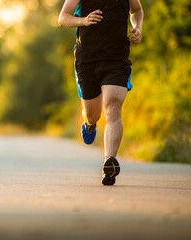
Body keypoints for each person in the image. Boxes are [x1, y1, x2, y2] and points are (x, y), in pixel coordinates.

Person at [58, 0, 143, 185]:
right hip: (87, 59)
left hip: (116, 58)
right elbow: (63, 18)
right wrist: (84, 21)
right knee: (93, 114)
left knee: (113, 106)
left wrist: (138, 28)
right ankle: (89, 123)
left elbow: (136, 10)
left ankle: (109, 164)